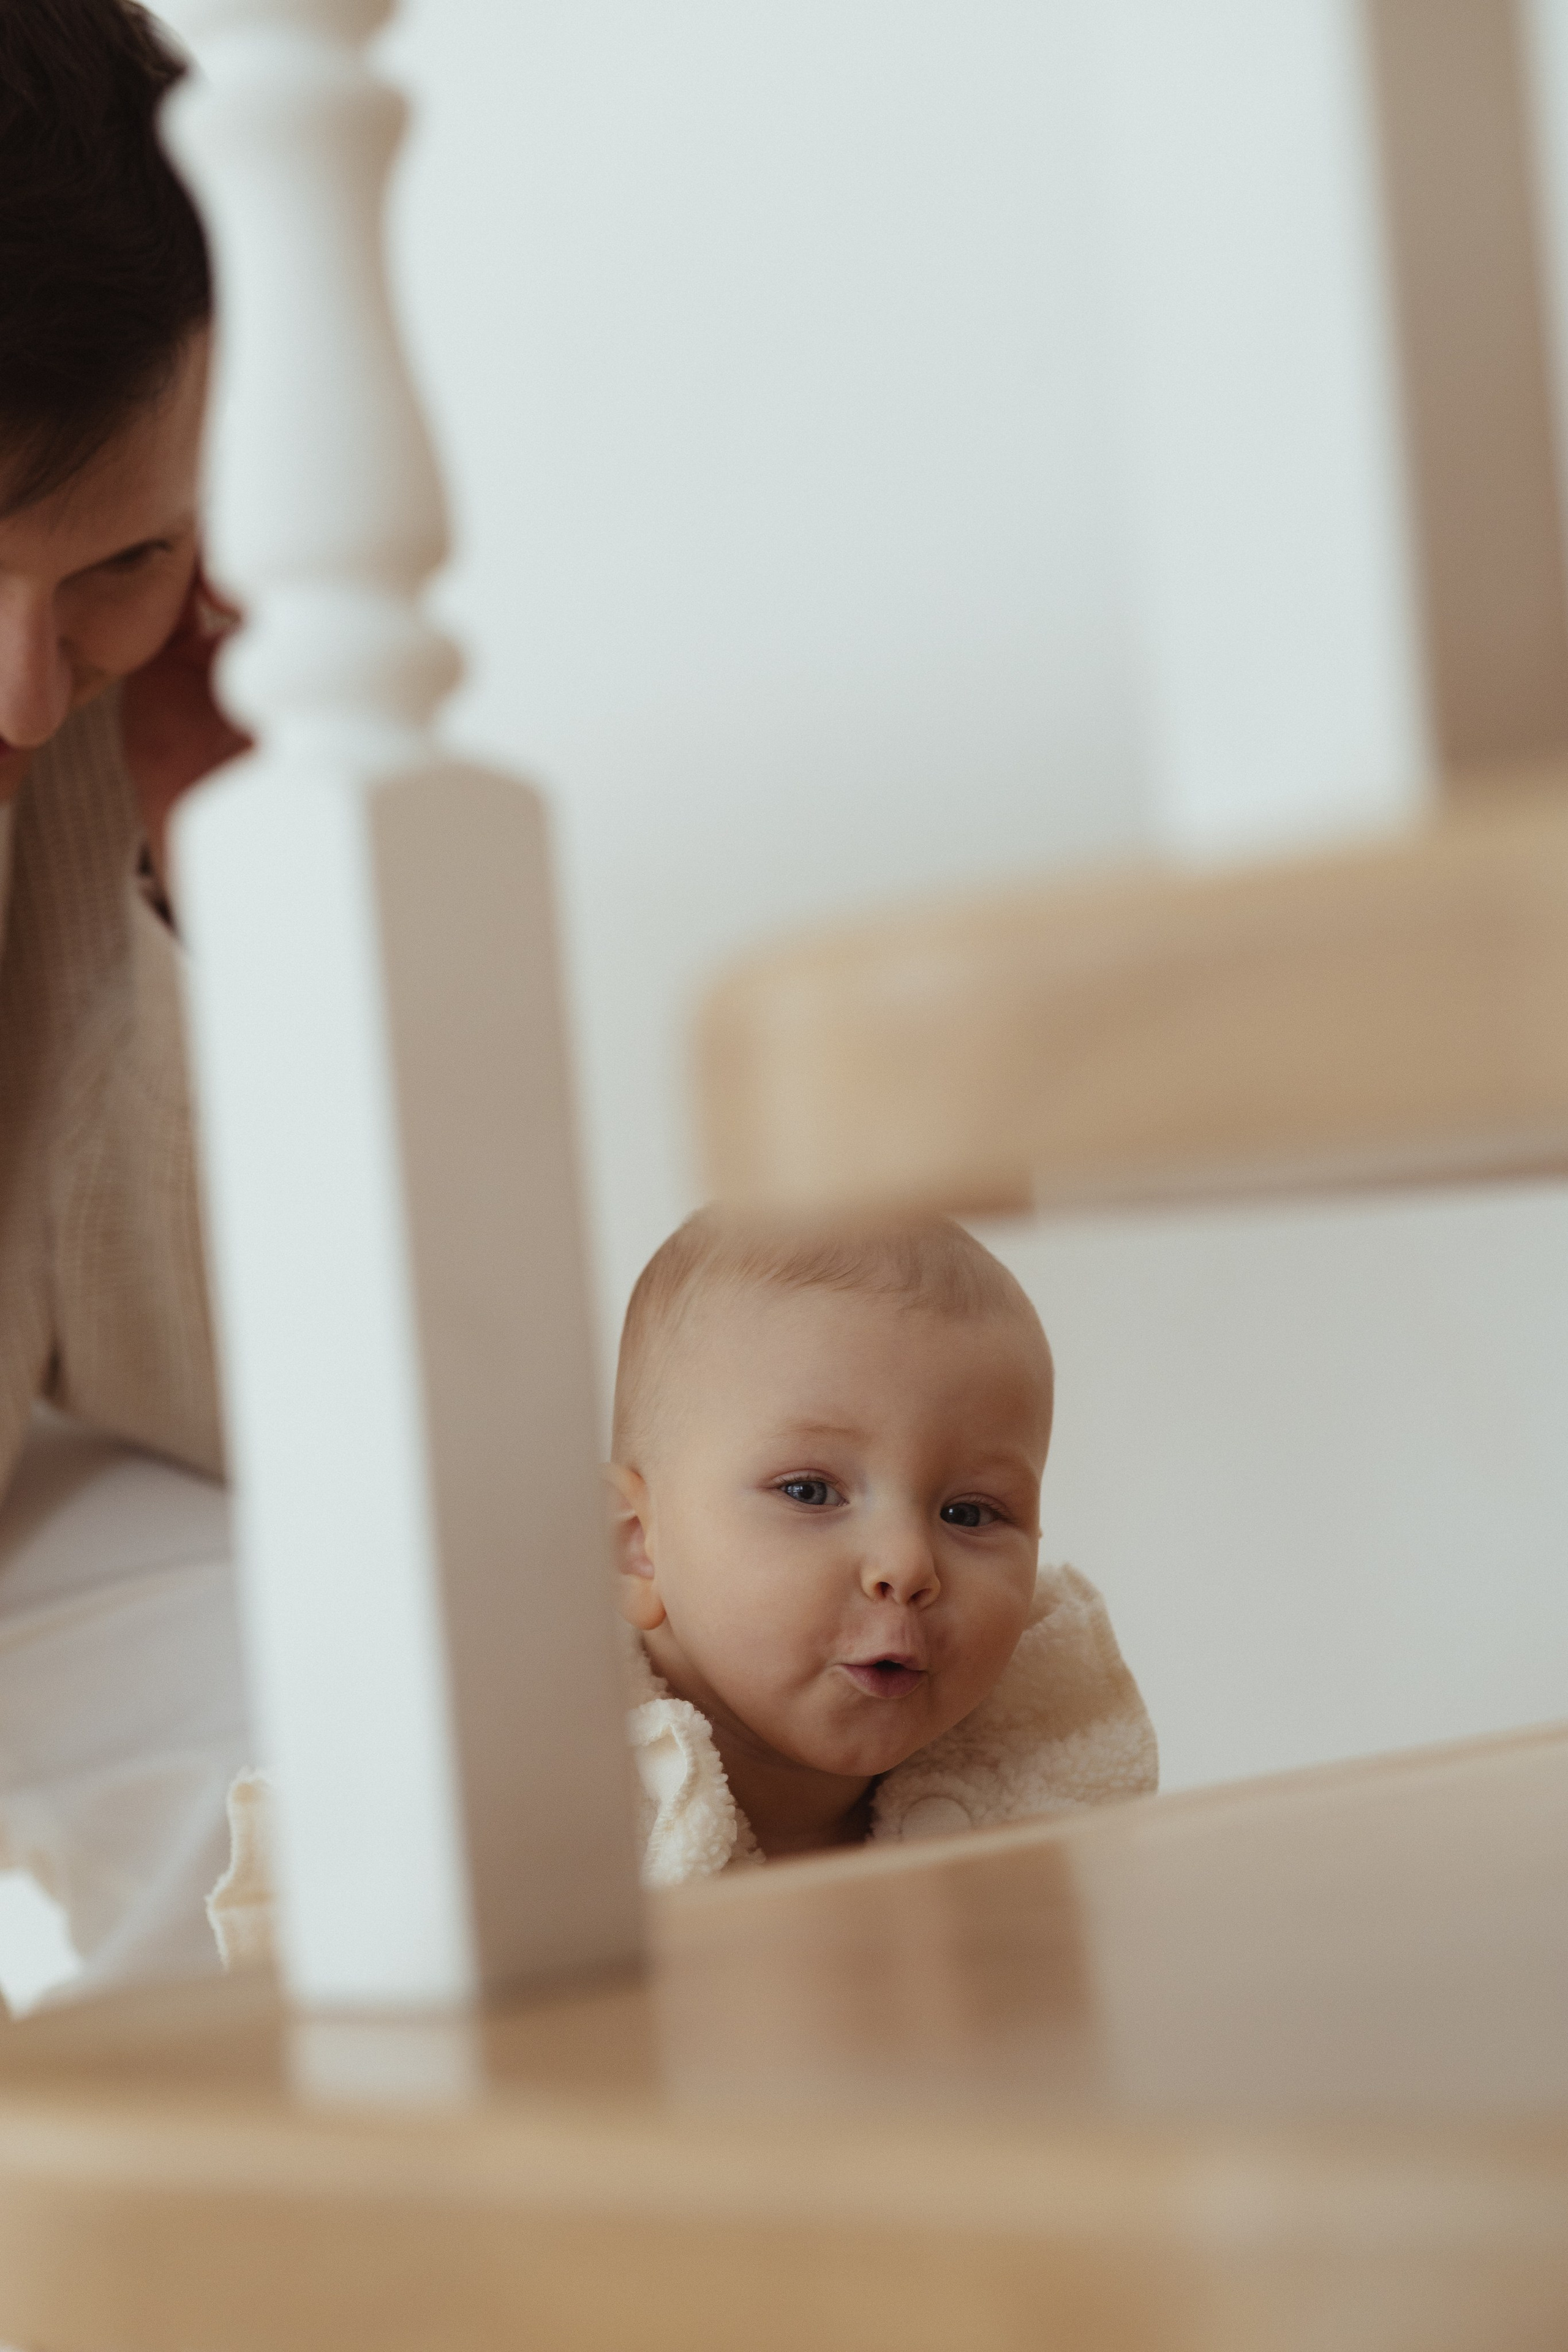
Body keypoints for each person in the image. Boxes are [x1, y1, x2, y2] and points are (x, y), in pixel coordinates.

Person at [0, 0, 251, 1994]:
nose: (26, 687)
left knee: (333, 1661)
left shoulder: (101, 720)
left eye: (124, 553)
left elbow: (224, 1382)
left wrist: (193, 848)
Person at [606, 1210, 1155, 1882]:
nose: (907, 1566)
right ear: (637, 1544)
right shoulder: (556, 1801)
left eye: (968, 1512)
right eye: (810, 1492)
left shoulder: (1045, 1765)